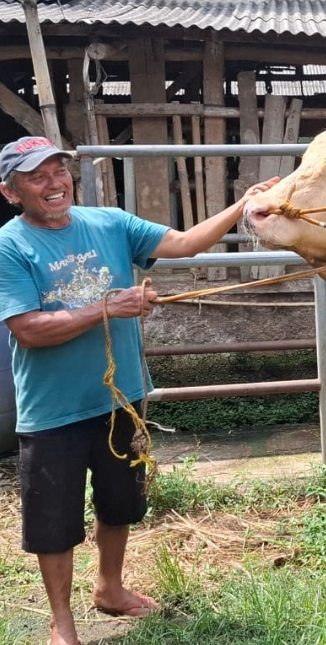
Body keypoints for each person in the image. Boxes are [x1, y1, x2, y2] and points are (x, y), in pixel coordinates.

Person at [0, 136, 279, 645]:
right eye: (36, 176)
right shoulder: (9, 245)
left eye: (58, 170)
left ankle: (110, 588)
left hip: (121, 398)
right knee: (53, 523)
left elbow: (186, 243)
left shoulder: (110, 222)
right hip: (52, 410)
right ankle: (62, 624)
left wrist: (243, 204)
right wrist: (107, 308)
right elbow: (29, 329)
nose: (54, 182)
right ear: (11, 192)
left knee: (120, 503)